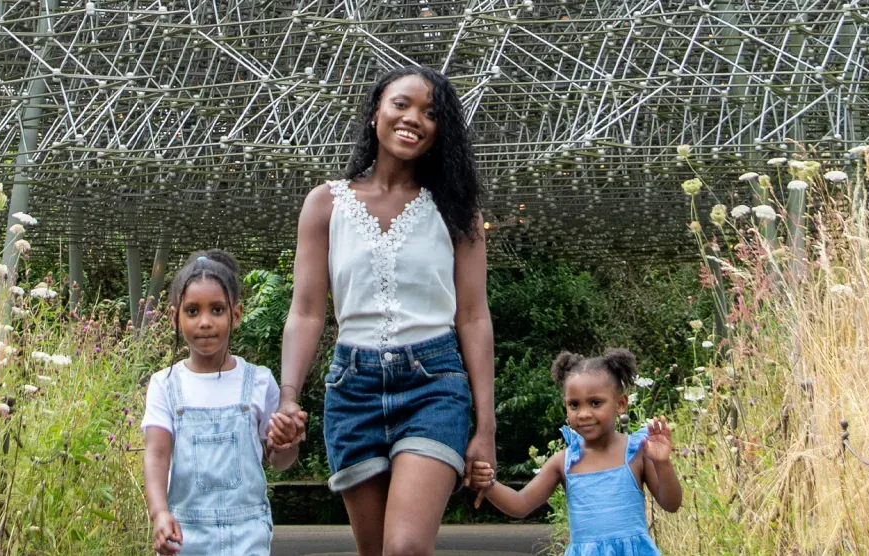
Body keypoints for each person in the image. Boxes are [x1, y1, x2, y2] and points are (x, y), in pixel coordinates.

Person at [269, 66, 495, 556]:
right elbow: (307, 312)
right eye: (401, 104)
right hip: (354, 390)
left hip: (434, 384)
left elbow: (474, 317)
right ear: (376, 112)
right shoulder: (324, 205)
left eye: (431, 113)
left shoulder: (457, 210)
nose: (414, 118)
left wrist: (486, 428)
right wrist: (288, 397)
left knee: (406, 548)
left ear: (441, 132)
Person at [141, 251, 300, 555]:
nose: (204, 322)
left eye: (216, 310)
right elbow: (157, 456)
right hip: (185, 535)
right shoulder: (165, 385)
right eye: (192, 311)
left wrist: (287, 442)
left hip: (248, 534)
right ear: (176, 317)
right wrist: (159, 513)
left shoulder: (259, 381)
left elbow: (280, 461)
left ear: (236, 315)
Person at [465, 350, 683, 556]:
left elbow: (671, 504)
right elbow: (521, 504)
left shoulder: (637, 453)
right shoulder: (564, 462)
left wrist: (662, 463)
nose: (584, 413)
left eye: (596, 403)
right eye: (574, 405)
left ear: (621, 403)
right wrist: (489, 485)